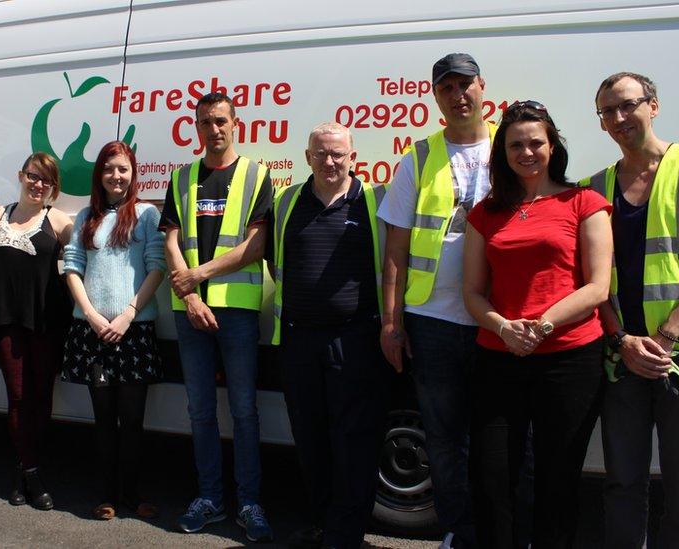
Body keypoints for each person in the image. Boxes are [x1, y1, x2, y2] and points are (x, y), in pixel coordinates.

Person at [462, 101, 612, 547]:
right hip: (499, 357)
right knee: (491, 480)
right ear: (502, 152)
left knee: (557, 479)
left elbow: (598, 286)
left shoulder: (583, 201)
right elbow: (472, 291)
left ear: (552, 146)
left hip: (570, 360)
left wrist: (540, 326)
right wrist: (505, 328)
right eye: (515, 145)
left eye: (535, 142)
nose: (526, 152)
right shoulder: (485, 213)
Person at [377, 52, 493, 548]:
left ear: (482, 88)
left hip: (496, 319)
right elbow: (395, 249)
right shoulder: (420, 157)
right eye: (447, 87)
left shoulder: (512, 149)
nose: (458, 94)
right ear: (436, 97)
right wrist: (391, 323)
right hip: (432, 322)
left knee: (497, 439)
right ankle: (458, 533)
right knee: (444, 441)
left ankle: (501, 530)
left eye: (465, 84)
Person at [267, 122, 392, 549]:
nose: (330, 161)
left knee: (354, 443)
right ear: (307, 158)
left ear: (353, 156)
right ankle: (323, 523)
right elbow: (274, 261)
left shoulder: (375, 202)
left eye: (338, 153)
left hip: (354, 340)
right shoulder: (287, 202)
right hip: (299, 342)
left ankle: (345, 535)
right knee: (310, 440)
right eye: (321, 153)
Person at [584, 72, 679, 548]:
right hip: (622, 359)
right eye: (607, 111)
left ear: (654, 105)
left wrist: (668, 334)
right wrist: (622, 340)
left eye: (627, 105)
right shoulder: (596, 187)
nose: (618, 118)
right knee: (622, 484)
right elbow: (593, 282)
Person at [160, 92, 274, 542]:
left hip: (238, 312)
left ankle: (249, 503)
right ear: (196, 126)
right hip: (190, 313)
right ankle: (210, 498)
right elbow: (170, 240)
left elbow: (257, 244)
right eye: (206, 122)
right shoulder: (182, 175)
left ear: (236, 122)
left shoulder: (256, 175)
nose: (214, 129)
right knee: (200, 410)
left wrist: (198, 277)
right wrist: (190, 296)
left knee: (245, 410)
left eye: (221, 120)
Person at [61, 140, 164, 520]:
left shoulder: (147, 215)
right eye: (108, 169)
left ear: (133, 173)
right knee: (103, 421)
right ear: (99, 175)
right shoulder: (86, 215)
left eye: (122, 168)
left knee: (134, 421)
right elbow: (72, 267)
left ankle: (132, 495)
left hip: (133, 333)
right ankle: (105, 495)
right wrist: (90, 314)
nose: (115, 176)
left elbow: (157, 267)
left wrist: (128, 314)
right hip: (93, 334)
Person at [0, 152, 73, 509]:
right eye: (33, 176)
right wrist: (6, 292)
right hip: (6, 322)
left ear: (53, 187)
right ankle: (30, 471)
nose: (38, 184)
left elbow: (75, 266)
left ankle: (24, 471)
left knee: (40, 397)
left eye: (46, 179)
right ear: (21, 175)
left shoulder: (59, 222)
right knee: (17, 396)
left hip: (46, 322)